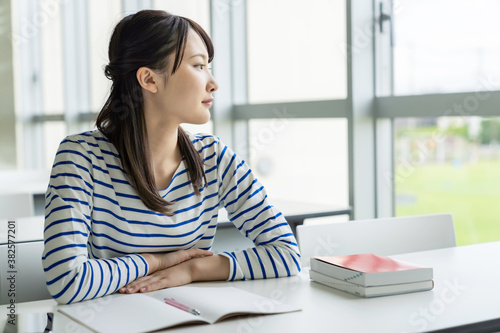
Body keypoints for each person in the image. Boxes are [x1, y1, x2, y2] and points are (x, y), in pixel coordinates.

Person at [42, 9, 301, 305]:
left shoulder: (215, 158)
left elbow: (287, 254)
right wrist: (157, 261)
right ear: (149, 80)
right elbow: (67, 281)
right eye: (199, 66)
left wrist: (192, 269)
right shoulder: (80, 158)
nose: (213, 83)